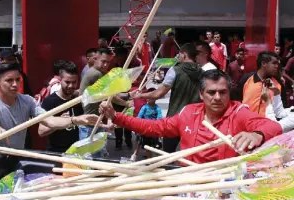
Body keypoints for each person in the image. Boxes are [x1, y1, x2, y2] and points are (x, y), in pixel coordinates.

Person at [100, 70, 282, 163]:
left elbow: (274, 127)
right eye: (211, 92)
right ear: (201, 94)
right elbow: (155, 127)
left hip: (224, 187)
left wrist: (256, 134)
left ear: (229, 93)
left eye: (222, 92)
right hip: (190, 184)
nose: (217, 97)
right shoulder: (188, 112)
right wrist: (116, 117)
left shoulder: (238, 112)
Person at [0, 63, 99, 161]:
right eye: (9, 80)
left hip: (16, 157)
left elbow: (49, 120)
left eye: (17, 79)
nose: (15, 84)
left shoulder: (27, 101)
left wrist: (74, 120)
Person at [130, 43, 202, 153]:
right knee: (191, 154)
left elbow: (159, 93)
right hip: (195, 119)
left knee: (167, 153)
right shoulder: (203, 73)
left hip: (175, 118)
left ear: (184, 54)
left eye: (179, 54)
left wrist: (140, 95)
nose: (178, 57)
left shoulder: (175, 70)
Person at [79, 47, 131, 156]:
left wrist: (128, 95)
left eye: (108, 62)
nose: (106, 65)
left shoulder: (97, 73)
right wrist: (126, 103)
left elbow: (110, 94)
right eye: (103, 61)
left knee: (96, 155)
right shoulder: (95, 74)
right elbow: (109, 96)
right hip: (90, 124)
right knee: (90, 157)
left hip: (95, 121)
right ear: (95, 58)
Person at [39, 61, 84, 153]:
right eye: (67, 82)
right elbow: (41, 131)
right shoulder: (50, 102)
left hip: (75, 153)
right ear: (60, 81)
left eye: (74, 82)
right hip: (56, 153)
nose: (71, 86)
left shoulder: (77, 100)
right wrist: (58, 122)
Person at [240, 51, 281, 117]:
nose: (277, 66)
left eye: (277, 63)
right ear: (264, 63)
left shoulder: (278, 84)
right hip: (246, 124)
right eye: (274, 63)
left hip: (267, 125)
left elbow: (281, 110)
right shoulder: (246, 79)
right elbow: (237, 102)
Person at [131, 88, 163, 160]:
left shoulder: (157, 108)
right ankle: (137, 155)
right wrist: (137, 126)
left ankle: (154, 158)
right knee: (141, 143)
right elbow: (139, 117)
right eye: (147, 97)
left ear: (155, 98)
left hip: (153, 129)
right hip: (144, 129)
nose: (148, 99)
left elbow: (159, 118)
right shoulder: (144, 107)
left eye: (151, 97)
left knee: (155, 144)